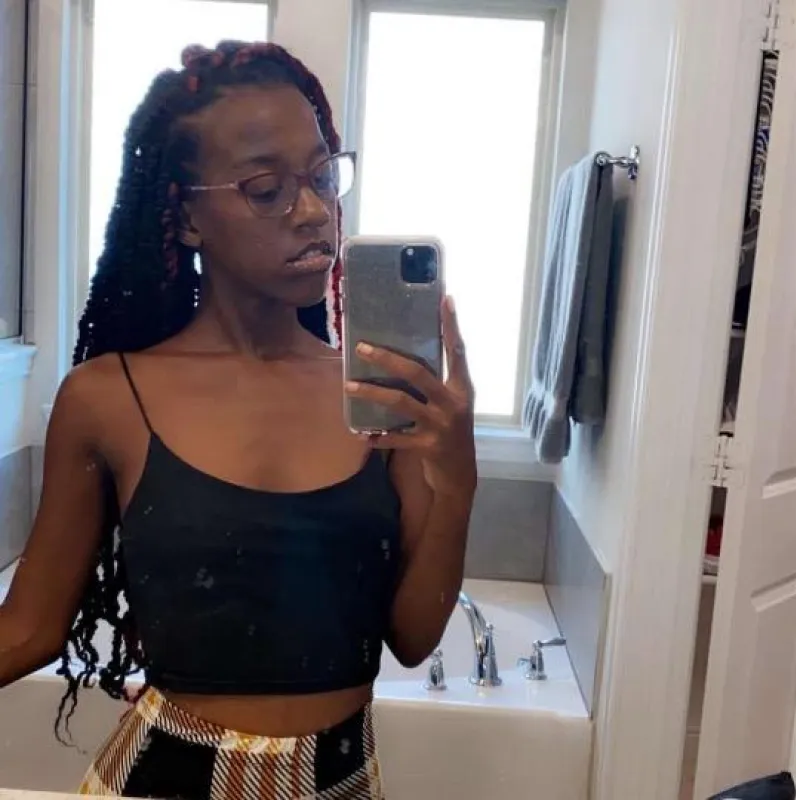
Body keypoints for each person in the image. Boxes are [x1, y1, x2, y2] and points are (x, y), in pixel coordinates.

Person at [0, 40, 477, 799]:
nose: (315, 212)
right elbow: (27, 630)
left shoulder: (380, 397)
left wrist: (458, 483)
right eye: (267, 189)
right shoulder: (108, 397)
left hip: (343, 784)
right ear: (189, 217)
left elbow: (413, 639)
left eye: (323, 176)